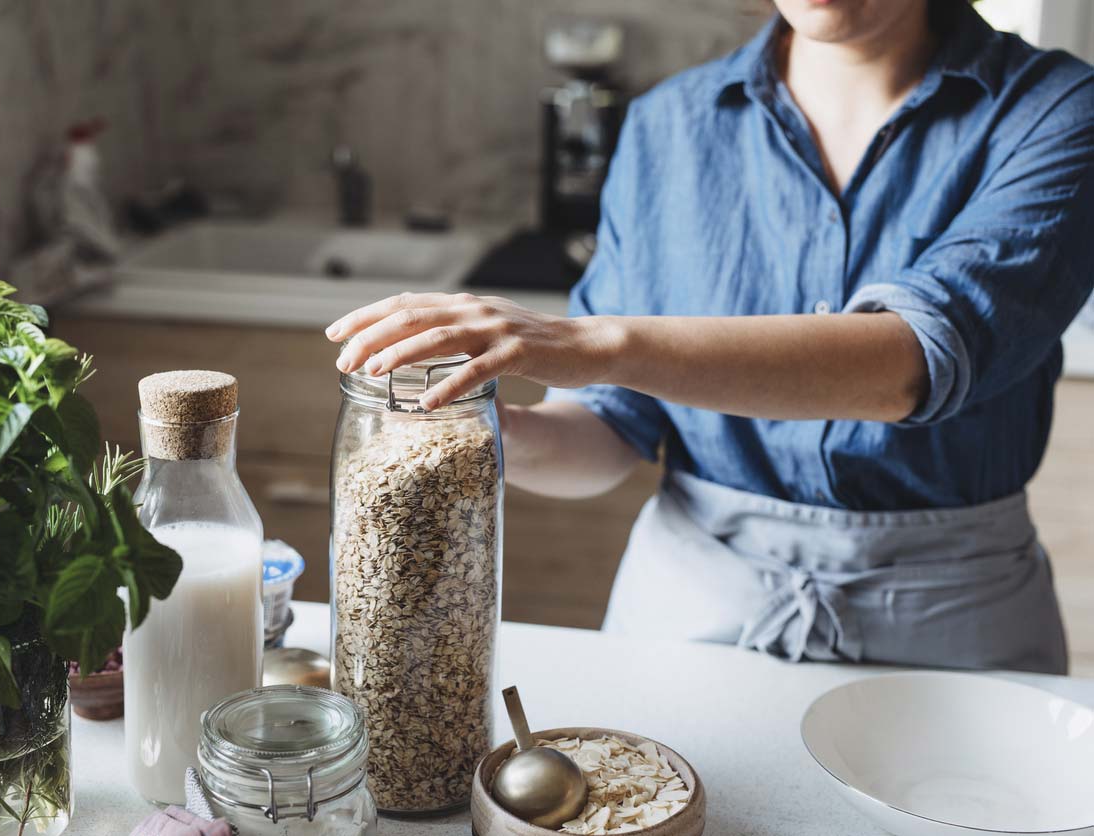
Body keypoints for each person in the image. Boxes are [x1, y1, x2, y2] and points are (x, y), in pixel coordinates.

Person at [325, 0, 1094, 674]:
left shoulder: (1056, 111)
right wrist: (478, 428)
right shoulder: (669, 125)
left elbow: (913, 361)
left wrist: (595, 342)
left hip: (954, 631)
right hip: (690, 619)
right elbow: (608, 430)